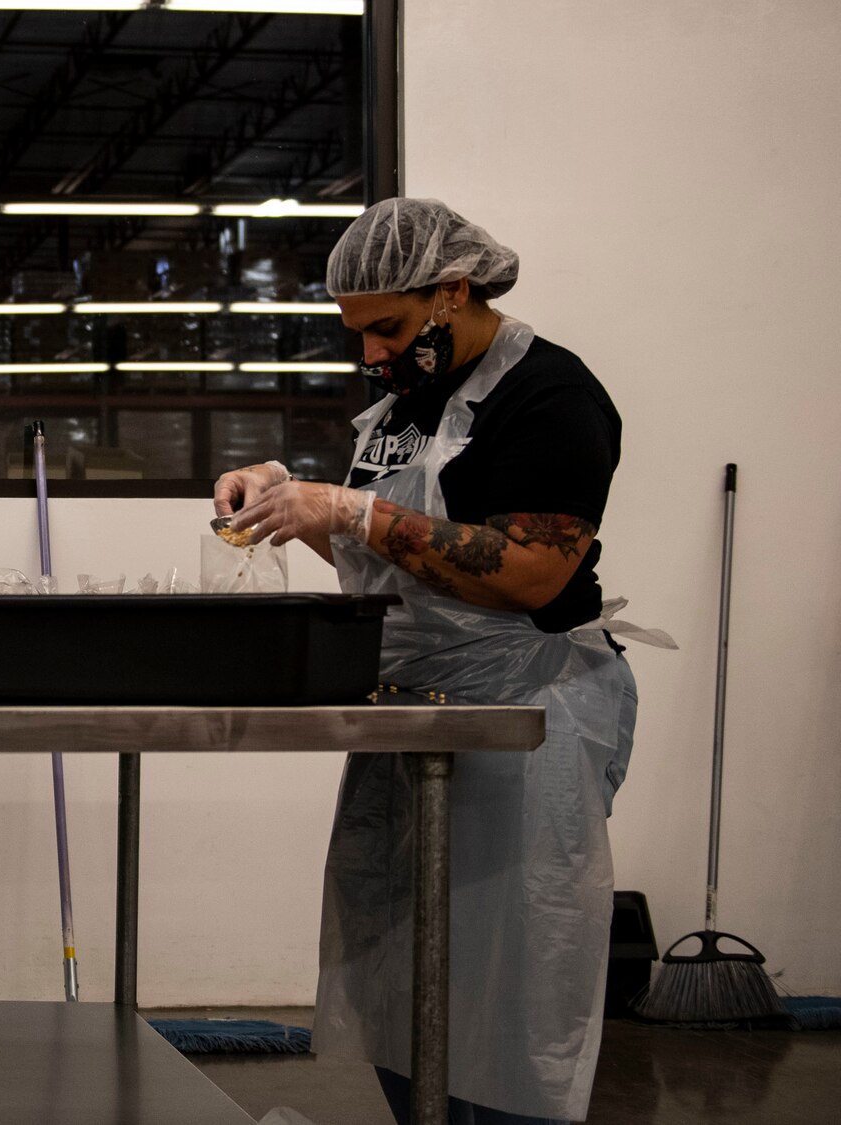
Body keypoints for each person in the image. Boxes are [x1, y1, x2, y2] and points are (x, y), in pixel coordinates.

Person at [216, 198, 637, 1125]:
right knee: (405, 981)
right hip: (415, 706)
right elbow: (390, 556)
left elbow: (532, 572)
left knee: (512, 987)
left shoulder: (553, 397)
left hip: (519, 721)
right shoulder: (406, 406)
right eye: (359, 334)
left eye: (388, 328)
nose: (371, 354)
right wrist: (296, 502)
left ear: (452, 291)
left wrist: (355, 510)